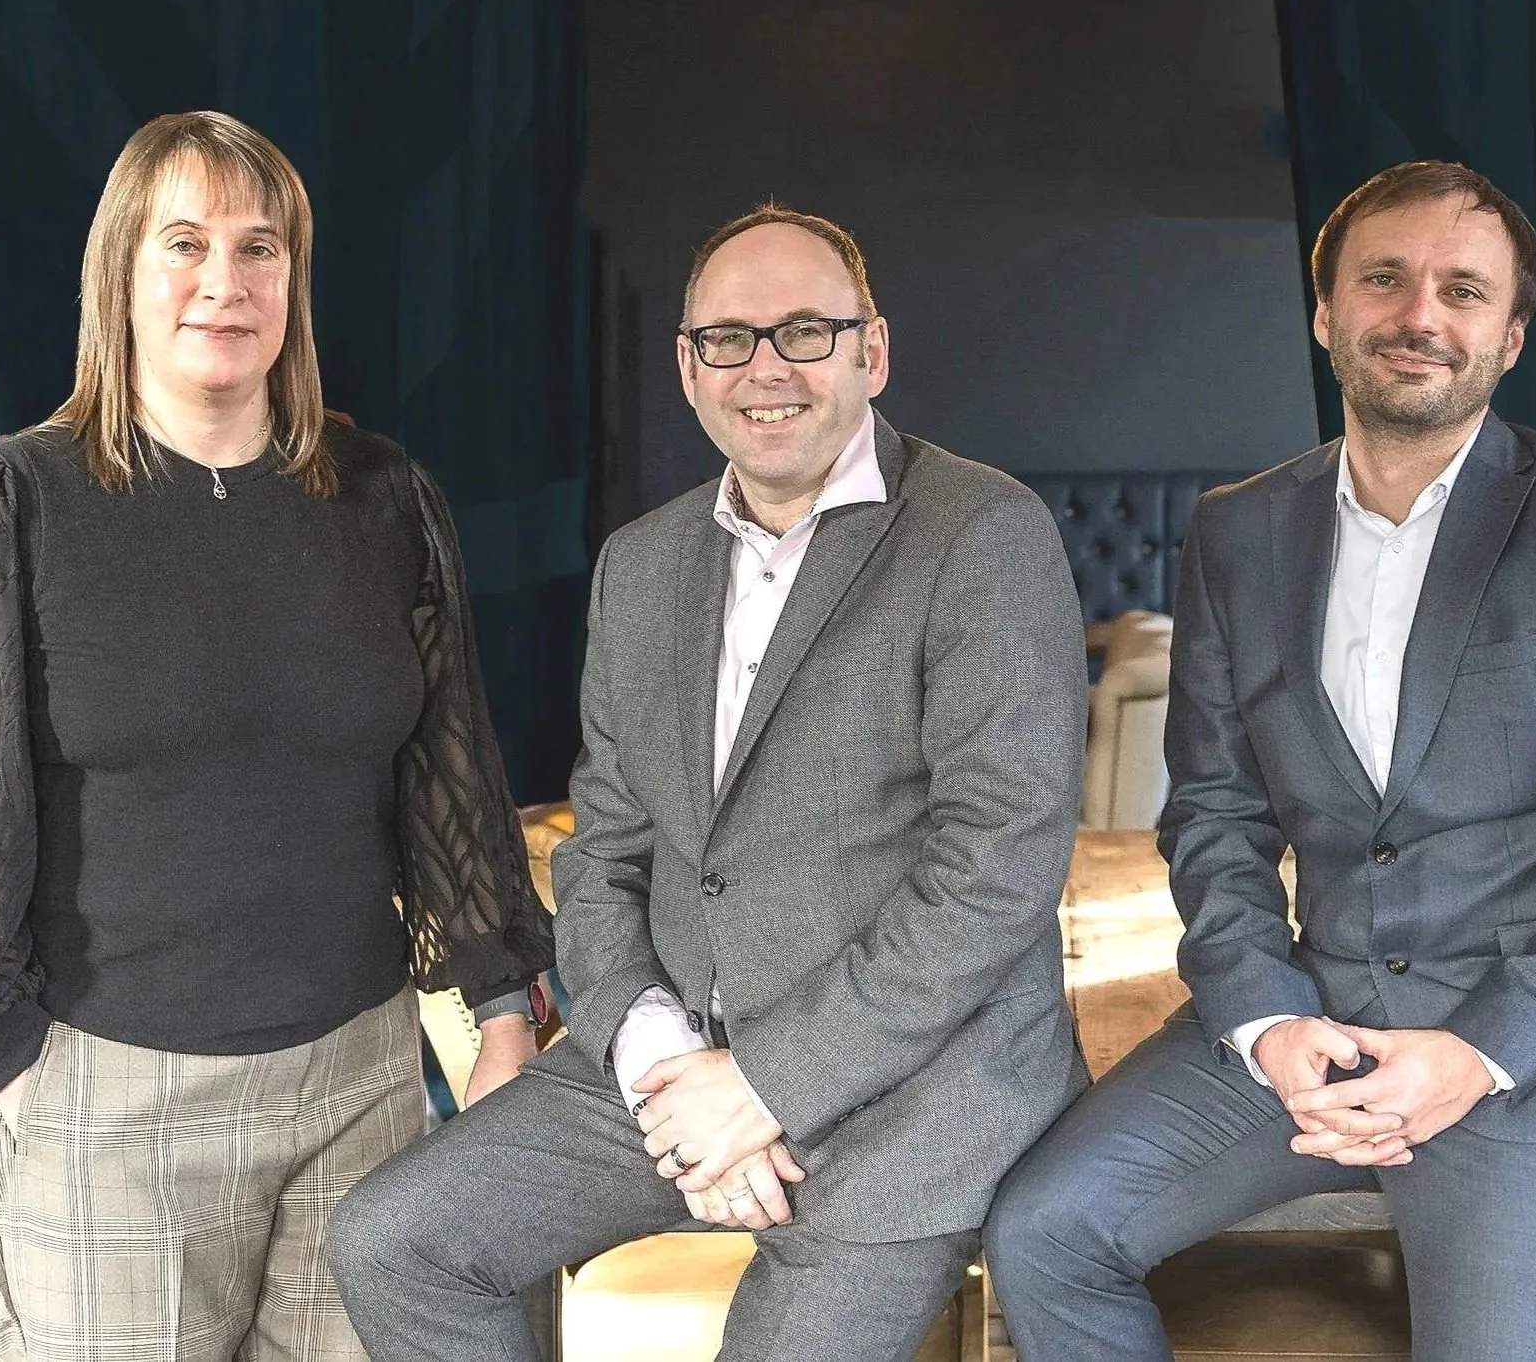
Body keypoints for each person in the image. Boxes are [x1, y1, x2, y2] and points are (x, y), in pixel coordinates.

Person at [984, 160, 1536, 1360]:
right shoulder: (1238, 528)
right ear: (1326, 313)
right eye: (1384, 278)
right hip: (1308, 1029)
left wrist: (1478, 1051)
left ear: (1509, 335)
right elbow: (1214, 815)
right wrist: (1267, 1019)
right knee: (1047, 1231)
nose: (1419, 314)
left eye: (1462, 290)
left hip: (1522, 1054)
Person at [329, 204, 1090, 1362]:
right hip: (669, 1074)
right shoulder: (639, 567)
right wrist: (660, 1062)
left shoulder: (981, 533)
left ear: (871, 351)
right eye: (729, 338)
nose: (766, 368)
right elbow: (603, 852)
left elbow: (998, 868)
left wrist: (766, 1085)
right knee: (396, 1242)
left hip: (907, 1097)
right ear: (688, 368)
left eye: (805, 332)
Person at [0, 110, 554, 1361]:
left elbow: (451, 773)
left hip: (360, 1087)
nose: (227, 280)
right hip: (111, 1100)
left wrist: (501, 1017)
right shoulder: (11, 499)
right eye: (186, 242)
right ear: (122, 271)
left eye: (260, 249)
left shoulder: (385, 498)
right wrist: (10, 1057)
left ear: (292, 282)